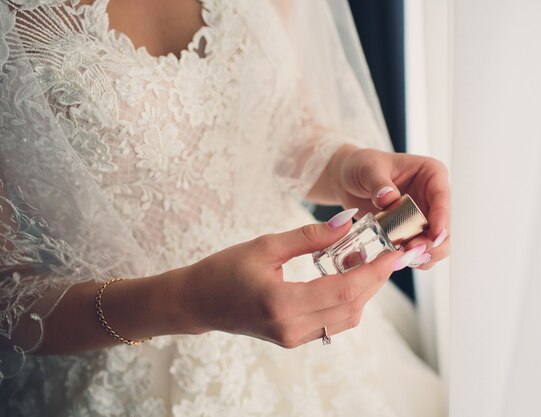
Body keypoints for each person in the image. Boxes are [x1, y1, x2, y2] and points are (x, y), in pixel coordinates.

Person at [0, 0, 449, 415]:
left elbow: (285, 131)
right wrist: (187, 303)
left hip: (312, 305)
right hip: (126, 361)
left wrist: (352, 166)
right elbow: (9, 296)